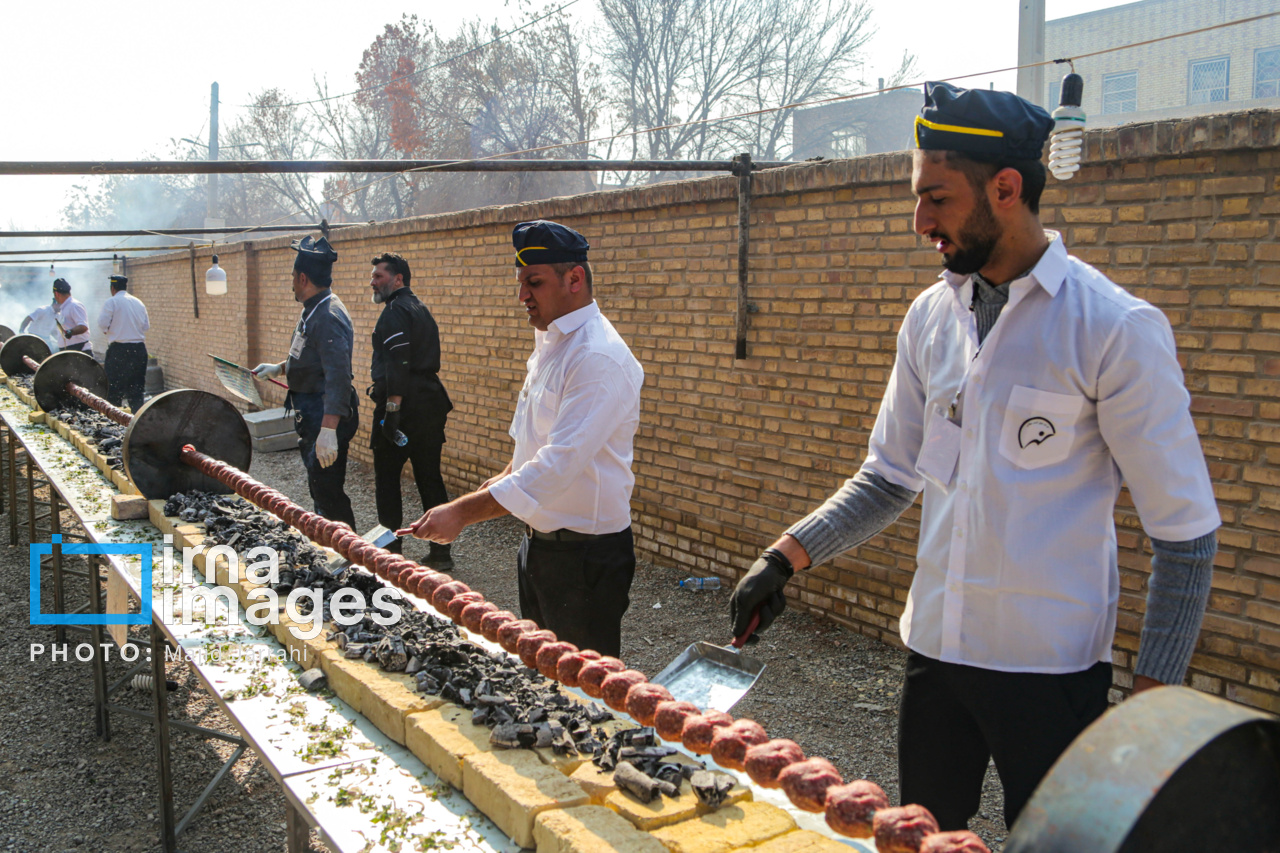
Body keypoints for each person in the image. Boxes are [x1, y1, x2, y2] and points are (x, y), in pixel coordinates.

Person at [728, 82, 1220, 832]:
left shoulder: (1113, 330)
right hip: (936, 656)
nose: (917, 219)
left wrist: (1147, 716)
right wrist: (785, 556)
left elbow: (1185, 533)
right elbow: (890, 475)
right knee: (920, 839)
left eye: (936, 198)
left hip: (1049, 673)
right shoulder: (931, 318)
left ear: (1007, 187)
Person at [401, 220, 645, 657]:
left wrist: (462, 512)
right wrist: (499, 480)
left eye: (534, 282)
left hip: (584, 559)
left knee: (584, 690)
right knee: (541, 668)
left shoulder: (596, 356)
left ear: (575, 279)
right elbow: (533, 443)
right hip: (541, 547)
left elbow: (556, 466)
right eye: (521, 283)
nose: (522, 296)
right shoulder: (554, 342)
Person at [253, 236, 359, 529]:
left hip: (326, 416)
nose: (291, 282)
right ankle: (329, 546)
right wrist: (280, 368)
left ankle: (350, 557)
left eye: (292, 277)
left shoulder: (327, 315)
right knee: (319, 487)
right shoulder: (313, 307)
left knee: (328, 492)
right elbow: (311, 357)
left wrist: (328, 430)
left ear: (302, 278)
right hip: (312, 414)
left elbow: (338, 375)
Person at [367, 252, 454, 562]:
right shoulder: (420, 308)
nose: (373, 281)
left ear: (398, 279)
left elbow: (399, 363)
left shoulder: (394, 311)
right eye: (374, 276)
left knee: (387, 479)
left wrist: (392, 411)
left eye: (379, 276)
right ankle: (441, 552)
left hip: (405, 407)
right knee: (429, 476)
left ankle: (391, 556)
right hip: (430, 403)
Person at [97, 274, 150, 411]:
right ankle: (136, 419)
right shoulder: (139, 302)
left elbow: (102, 324)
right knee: (137, 389)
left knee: (114, 389)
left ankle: (115, 421)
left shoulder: (111, 302)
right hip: (138, 350)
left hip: (119, 351)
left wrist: (110, 330)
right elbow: (146, 327)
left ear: (112, 288)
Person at [50, 278, 92, 353]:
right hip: (68, 350)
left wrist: (70, 332)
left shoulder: (74, 305)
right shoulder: (63, 308)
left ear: (56, 294)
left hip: (79, 350)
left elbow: (83, 326)